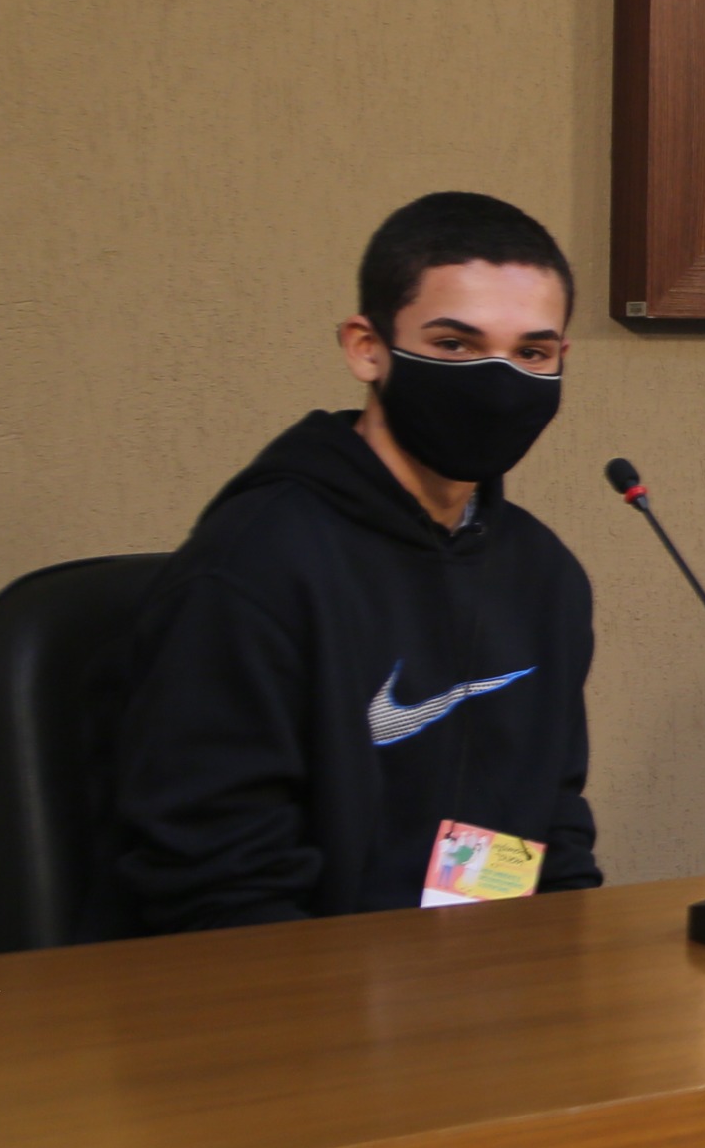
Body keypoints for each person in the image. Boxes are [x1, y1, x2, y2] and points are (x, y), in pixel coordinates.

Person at [100, 191, 599, 933]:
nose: (498, 384)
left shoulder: (542, 575)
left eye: (531, 353)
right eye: (454, 345)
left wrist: (565, 964)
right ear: (366, 347)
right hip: (293, 986)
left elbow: (549, 827)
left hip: (484, 977)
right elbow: (216, 880)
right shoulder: (253, 567)